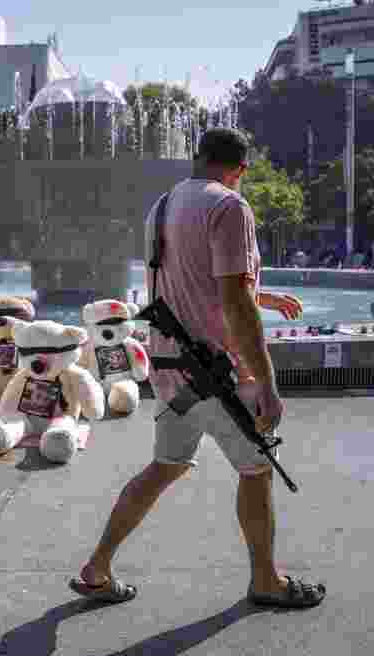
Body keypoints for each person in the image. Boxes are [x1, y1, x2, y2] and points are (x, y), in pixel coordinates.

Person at [70, 128, 326, 609]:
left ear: (198, 157)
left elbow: (185, 282)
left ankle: (97, 567)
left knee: (165, 466)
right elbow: (232, 299)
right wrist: (265, 380)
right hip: (216, 375)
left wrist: (262, 296)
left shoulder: (162, 206)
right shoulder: (230, 206)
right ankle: (266, 580)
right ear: (240, 169)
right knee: (255, 471)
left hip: (171, 371)